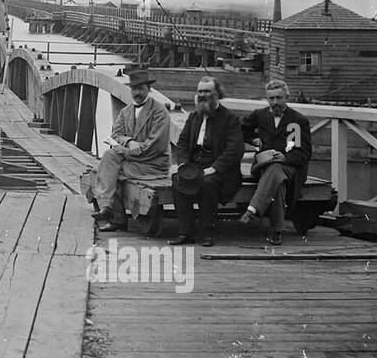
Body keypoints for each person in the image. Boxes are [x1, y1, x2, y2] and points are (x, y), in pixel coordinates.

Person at [90, 67, 171, 232]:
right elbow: (116, 134)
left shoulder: (159, 112)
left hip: (153, 164)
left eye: (141, 88)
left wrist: (126, 151)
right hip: (133, 161)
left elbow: (154, 145)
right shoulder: (126, 111)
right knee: (109, 156)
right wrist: (129, 141)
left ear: (149, 89)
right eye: (134, 88)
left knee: (112, 171)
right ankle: (107, 207)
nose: (137, 93)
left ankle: (115, 217)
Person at [170, 76, 244, 247]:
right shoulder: (194, 117)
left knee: (208, 183)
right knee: (177, 180)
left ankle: (207, 233)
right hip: (194, 164)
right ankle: (185, 232)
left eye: (207, 91)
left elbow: (235, 149)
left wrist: (215, 168)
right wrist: (182, 164)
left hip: (221, 169)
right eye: (200, 92)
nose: (203, 95)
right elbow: (182, 144)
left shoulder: (230, 118)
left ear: (217, 94)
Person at [239, 79, 312, 245]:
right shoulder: (260, 114)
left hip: (290, 167)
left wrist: (285, 158)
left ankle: (254, 211)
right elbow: (240, 127)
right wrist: (254, 140)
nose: (275, 102)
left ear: (286, 97)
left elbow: (304, 153)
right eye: (271, 98)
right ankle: (276, 229)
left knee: (277, 172)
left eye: (279, 98)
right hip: (263, 165)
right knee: (275, 174)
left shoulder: (298, 120)